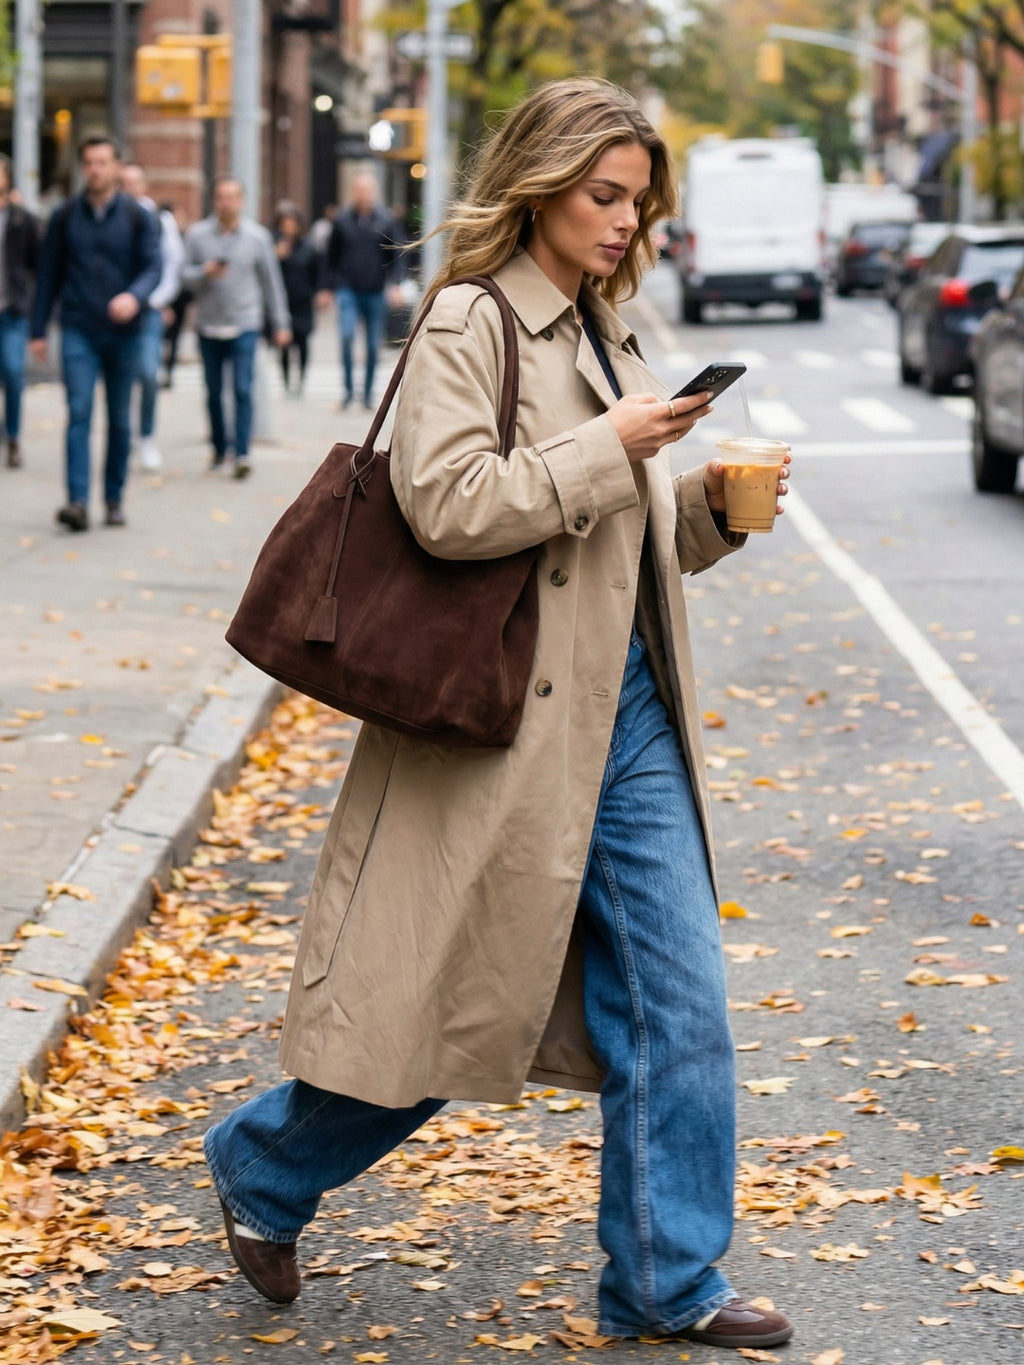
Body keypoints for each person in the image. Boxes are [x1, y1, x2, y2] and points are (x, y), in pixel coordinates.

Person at [203, 78, 793, 1351]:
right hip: (503, 728)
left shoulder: (608, 330)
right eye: (605, 196)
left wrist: (707, 515)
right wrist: (614, 450)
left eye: (640, 201)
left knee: (677, 1000)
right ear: (542, 184)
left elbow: (613, 549)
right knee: (456, 1008)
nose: (626, 221)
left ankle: (664, 1279)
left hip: (623, 714)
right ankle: (263, 1166)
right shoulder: (471, 319)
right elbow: (449, 507)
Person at [30, 136, 161, 531]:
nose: (94, 170)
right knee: (79, 412)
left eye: (102, 162)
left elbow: (153, 267)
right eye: (88, 162)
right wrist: (38, 329)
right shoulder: (65, 215)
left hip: (125, 332)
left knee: (120, 420)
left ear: (117, 167)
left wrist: (134, 297)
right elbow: (48, 273)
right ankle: (78, 501)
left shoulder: (139, 216)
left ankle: (114, 498)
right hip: (78, 329)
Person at [181, 175, 290, 479]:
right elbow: (182, 277)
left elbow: (271, 283)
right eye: (221, 197)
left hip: (245, 323)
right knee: (214, 392)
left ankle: (242, 452)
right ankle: (219, 448)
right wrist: (204, 273)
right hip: (208, 325)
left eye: (232, 197)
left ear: (241, 201)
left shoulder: (257, 237)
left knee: (242, 388)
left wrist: (281, 322)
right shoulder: (198, 235)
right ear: (215, 201)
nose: (226, 202)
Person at [318, 173, 405, 408]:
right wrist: (326, 288)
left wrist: (395, 285)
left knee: (372, 345)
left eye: (367, 190)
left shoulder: (385, 220)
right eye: (359, 190)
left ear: (374, 192)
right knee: (346, 336)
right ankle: (348, 392)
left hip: (375, 290)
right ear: (352, 192)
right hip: (348, 289)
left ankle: (366, 395)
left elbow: (395, 256)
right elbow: (330, 257)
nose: (363, 194)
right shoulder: (342, 220)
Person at [120, 162, 185, 471]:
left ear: (144, 185)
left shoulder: (159, 220)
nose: (129, 188)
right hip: (116, 311)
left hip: (148, 310)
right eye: (124, 182)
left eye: (134, 182)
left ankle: (145, 436)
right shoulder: (111, 215)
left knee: (148, 373)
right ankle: (123, 435)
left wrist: (157, 300)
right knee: (120, 377)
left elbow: (172, 264)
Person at [0, 154, 40, 469]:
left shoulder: (21, 219)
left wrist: (32, 305)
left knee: (13, 373)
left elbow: (38, 265)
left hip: (11, 310)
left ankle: (12, 436)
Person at [272, 207, 319, 394]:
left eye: (292, 225)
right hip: (283, 300)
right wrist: (277, 256)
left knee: (302, 341)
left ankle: (301, 378)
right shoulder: (275, 247)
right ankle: (285, 379)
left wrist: (316, 292)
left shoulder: (308, 247)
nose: (289, 229)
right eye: (285, 225)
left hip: (303, 301)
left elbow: (316, 272)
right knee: (283, 342)